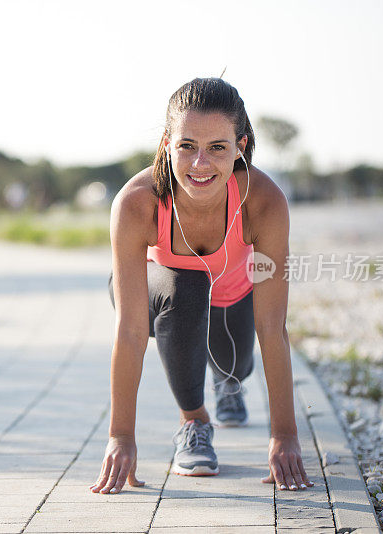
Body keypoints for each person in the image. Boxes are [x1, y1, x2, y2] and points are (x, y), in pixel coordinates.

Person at [89, 77, 314, 495]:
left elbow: (272, 326)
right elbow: (132, 331)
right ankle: (194, 423)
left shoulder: (263, 202)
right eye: (187, 145)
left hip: (234, 295)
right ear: (166, 144)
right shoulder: (137, 202)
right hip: (161, 296)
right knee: (186, 285)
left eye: (217, 148)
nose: (200, 164)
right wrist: (121, 436)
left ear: (240, 146)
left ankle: (228, 385)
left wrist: (284, 435)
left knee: (237, 366)